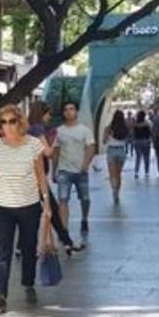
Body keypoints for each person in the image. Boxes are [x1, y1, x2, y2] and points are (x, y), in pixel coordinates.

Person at [0, 105, 51, 313]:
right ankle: (0, 295)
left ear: (20, 122)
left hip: (29, 205)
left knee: (28, 247)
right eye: (3, 122)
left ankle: (28, 282)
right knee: (3, 251)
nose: (8, 126)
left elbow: (41, 176)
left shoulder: (33, 145)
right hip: (3, 207)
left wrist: (47, 204)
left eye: (11, 121)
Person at [27, 103, 83, 256]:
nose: (49, 117)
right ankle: (67, 242)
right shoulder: (38, 129)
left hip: (28, 176)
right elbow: (47, 152)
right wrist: (55, 142)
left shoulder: (27, 128)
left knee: (38, 212)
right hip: (37, 178)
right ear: (41, 114)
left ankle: (66, 242)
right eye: (48, 114)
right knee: (51, 211)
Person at [54, 101, 95, 238]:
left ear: (76, 111)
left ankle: (84, 218)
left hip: (81, 170)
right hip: (64, 170)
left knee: (85, 198)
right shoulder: (59, 131)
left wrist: (86, 164)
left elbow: (91, 147)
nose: (69, 112)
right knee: (63, 199)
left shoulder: (84, 130)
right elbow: (56, 150)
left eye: (72, 109)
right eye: (66, 109)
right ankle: (64, 230)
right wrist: (55, 169)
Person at [103, 110, 130, 204]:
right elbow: (127, 140)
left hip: (111, 150)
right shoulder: (125, 128)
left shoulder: (109, 128)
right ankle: (117, 192)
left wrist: (109, 135)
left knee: (112, 174)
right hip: (121, 151)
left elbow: (104, 141)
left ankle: (114, 191)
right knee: (118, 174)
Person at [133, 109, 152, 178]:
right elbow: (151, 131)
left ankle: (136, 172)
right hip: (146, 141)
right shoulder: (147, 123)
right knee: (146, 158)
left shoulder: (135, 123)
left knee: (138, 158)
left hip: (137, 141)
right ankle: (146, 172)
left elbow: (132, 132)